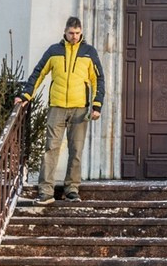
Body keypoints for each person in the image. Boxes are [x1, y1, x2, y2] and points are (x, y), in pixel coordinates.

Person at [18, 16, 104, 203]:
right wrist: (26, 95)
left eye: (77, 33)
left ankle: (72, 189)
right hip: (57, 107)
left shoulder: (89, 52)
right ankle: (46, 191)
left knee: (76, 150)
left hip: (80, 108)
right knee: (51, 148)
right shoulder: (54, 51)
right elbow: (38, 73)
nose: (74, 36)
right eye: (71, 33)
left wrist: (97, 104)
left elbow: (98, 79)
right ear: (65, 32)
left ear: (81, 32)